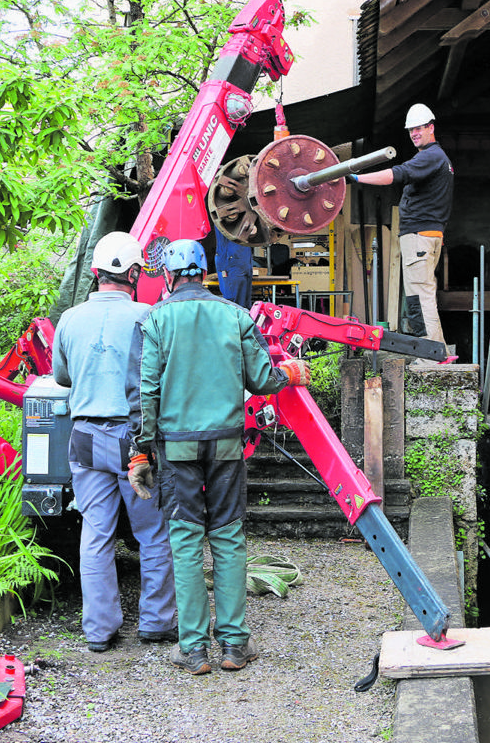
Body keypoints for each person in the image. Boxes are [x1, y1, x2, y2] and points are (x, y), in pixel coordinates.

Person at [130, 239, 310, 675]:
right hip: (227, 446)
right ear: (206, 273)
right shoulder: (234, 316)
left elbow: (147, 392)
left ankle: (193, 650)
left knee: (186, 541)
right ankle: (233, 645)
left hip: (176, 449)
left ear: (169, 277)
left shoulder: (155, 320)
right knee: (228, 539)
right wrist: (291, 372)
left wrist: (140, 451)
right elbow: (261, 378)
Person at [52, 231, 177, 653]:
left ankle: (99, 631)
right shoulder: (149, 315)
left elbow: (62, 378)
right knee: (152, 533)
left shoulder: (68, 319)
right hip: (133, 441)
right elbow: (160, 380)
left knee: (96, 533)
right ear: (137, 273)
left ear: (95, 273)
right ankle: (157, 623)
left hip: (85, 438)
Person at [348, 103, 454, 355]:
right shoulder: (435, 158)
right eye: (411, 130)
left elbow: (396, 174)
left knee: (420, 298)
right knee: (421, 295)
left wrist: (356, 178)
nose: (414, 133)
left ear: (431, 127)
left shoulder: (431, 156)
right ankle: (436, 352)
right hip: (425, 237)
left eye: (419, 128)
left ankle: (432, 356)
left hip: (420, 237)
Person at [213, 225, 254, 309]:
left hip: (243, 262)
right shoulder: (225, 215)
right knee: (234, 305)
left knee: (244, 306)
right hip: (231, 262)